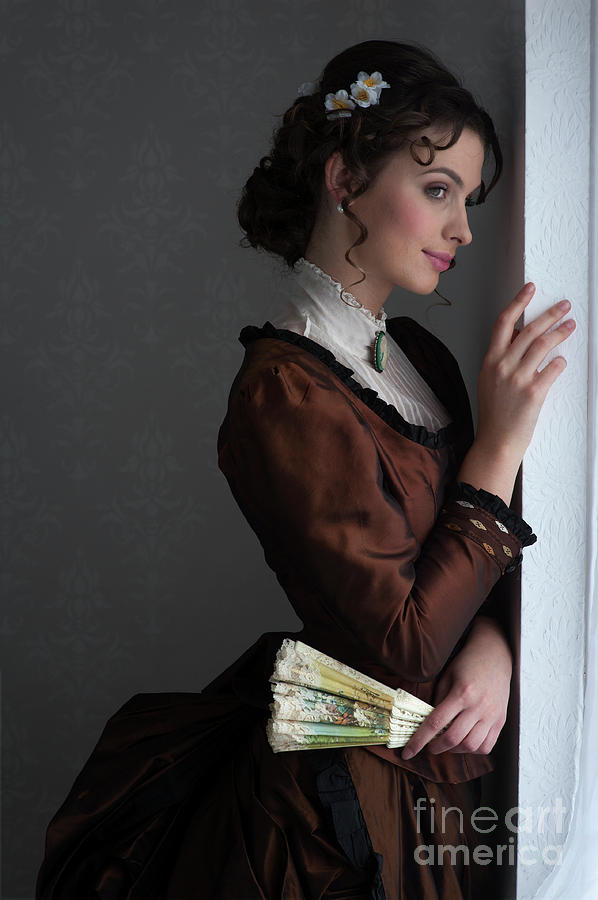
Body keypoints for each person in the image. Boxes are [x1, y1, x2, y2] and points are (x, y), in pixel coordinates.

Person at [36, 39, 575, 900]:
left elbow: (463, 565)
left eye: (468, 200)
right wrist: (500, 447)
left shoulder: (425, 360)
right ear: (344, 181)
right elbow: (401, 647)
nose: (464, 230)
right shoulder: (281, 391)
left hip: (438, 784)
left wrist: (497, 642)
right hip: (335, 814)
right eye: (438, 191)